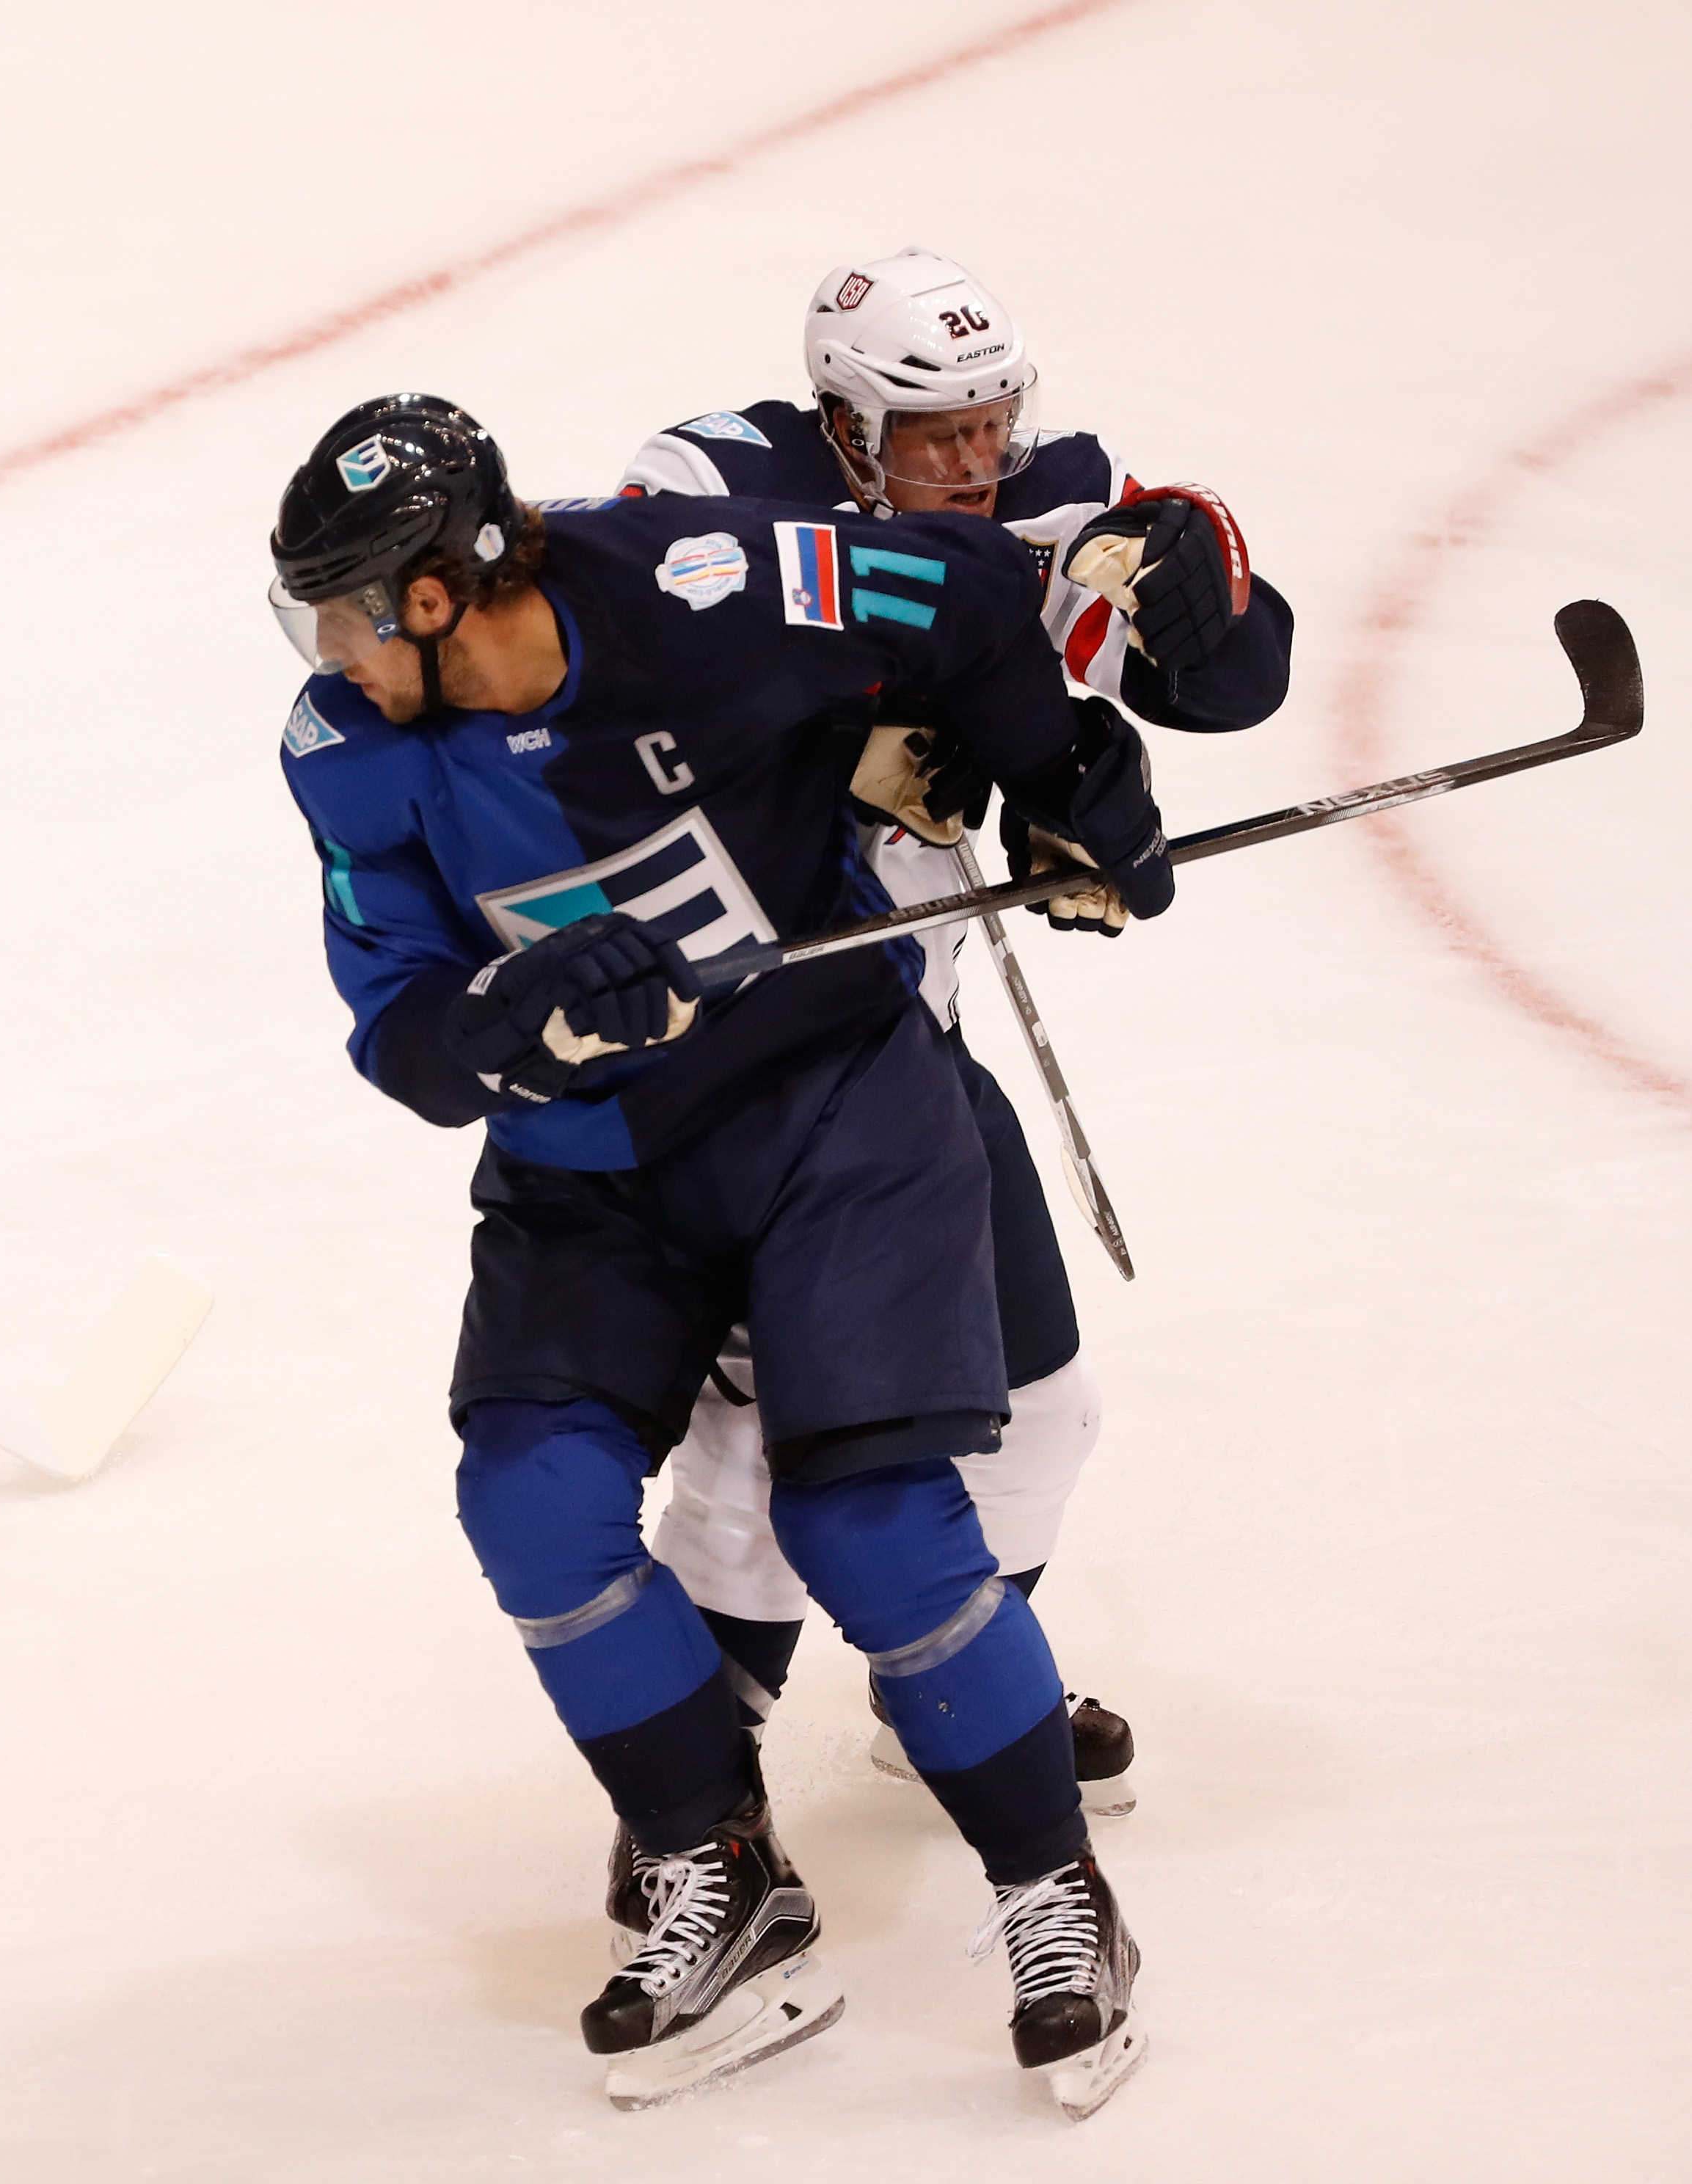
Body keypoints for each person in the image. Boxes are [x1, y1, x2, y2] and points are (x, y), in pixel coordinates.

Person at [270, 393, 1159, 2118]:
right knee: (528, 1500)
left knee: (870, 1522)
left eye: (346, 609)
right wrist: (508, 1016)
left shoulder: (708, 580)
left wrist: (1062, 776)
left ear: (440, 597)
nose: (323, 653)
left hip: (828, 1110)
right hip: (586, 1167)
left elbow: (968, 600)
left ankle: (1057, 1900)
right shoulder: (342, 747)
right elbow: (400, 1043)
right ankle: (722, 1873)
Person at [617, 248, 1297, 1807]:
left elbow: (1227, 684)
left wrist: (1199, 566)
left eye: (994, 425)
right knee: (752, 1447)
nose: (977, 464)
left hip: (893, 1040)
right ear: (848, 425)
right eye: (938, 438)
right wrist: (948, 730)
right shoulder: (711, 478)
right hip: (718, 1052)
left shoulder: (1038, 488)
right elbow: (669, 672)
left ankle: (957, 1696)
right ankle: (693, 1832)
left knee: (1043, 1408)